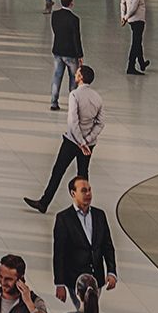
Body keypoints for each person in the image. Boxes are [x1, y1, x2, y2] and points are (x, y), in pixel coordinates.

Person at [27, 65, 103, 212]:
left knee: (58, 171)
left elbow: (73, 121)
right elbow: (100, 122)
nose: (75, 74)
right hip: (89, 144)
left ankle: (44, 202)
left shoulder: (75, 95)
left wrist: (80, 142)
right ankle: (84, 205)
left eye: (77, 73)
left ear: (81, 77)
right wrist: (87, 141)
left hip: (72, 141)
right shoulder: (97, 97)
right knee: (83, 174)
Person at [51, 175, 119, 302]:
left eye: (89, 190)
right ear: (73, 193)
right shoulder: (64, 219)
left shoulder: (99, 215)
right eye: (83, 191)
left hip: (96, 278)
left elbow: (107, 246)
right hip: (75, 280)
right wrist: (59, 283)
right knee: (85, 310)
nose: (88, 194)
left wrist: (111, 272)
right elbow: (59, 253)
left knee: (91, 309)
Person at [47, 0, 83, 111]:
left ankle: (54, 102)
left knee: (57, 76)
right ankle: (73, 102)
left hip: (58, 49)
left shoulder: (55, 15)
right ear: (71, 3)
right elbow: (76, 38)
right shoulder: (74, 19)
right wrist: (80, 55)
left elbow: (54, 29)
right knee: (73, 78)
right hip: (71, 52)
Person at [119, 0, 150, 75]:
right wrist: (126, 17)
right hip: (138, 20)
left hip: (131, 20)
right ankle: (131, 66)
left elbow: (122, 2)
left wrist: (123, 16)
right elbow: (133, 7)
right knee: (136, 43)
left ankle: (141, 63)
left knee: (138, 41)